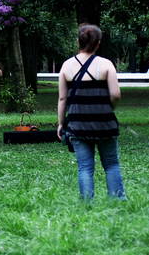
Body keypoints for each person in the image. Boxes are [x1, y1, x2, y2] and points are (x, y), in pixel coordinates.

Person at [57, 24, 125, 200]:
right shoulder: (106, 64)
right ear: (98, 43)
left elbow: (62, 99)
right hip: (105, 124)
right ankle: (117, 199)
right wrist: (111, 108)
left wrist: (60, 123)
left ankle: (87, 201)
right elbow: (116, 94)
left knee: (85, 167)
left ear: (78, 41)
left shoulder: (66, 66)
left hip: (78, 125)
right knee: (111, 164)